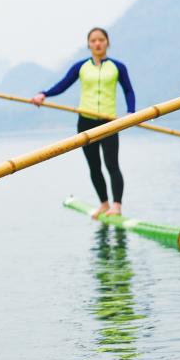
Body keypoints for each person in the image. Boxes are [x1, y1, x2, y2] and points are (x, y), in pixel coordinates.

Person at [32, 27, 135, 219]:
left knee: (112, 165)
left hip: (109, 122)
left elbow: (128, 90)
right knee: (94, 166)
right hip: (85, 123)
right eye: (94, 40)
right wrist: (43, 94)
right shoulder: (81, 67)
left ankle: (117, 206)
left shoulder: (118, 67)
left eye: (101, 40)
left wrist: (131, 112)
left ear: (107, 43)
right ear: (88, 44)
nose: (97, 43)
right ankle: (104, 204)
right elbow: (63, 84)